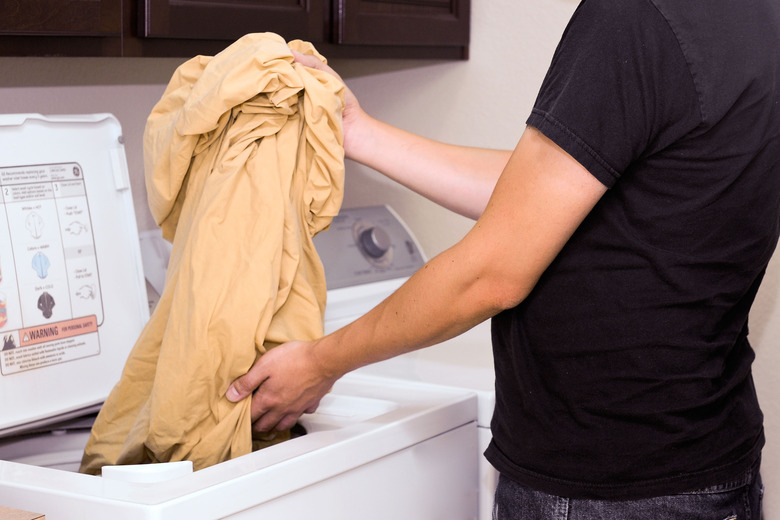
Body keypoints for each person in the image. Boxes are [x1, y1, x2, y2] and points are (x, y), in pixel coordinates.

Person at [226, 0, 778, 517]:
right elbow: (552, 194)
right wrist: (361, 134)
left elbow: (490, 276)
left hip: (604, 487)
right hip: (706, 461)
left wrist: (320, 363)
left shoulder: (634, 17)